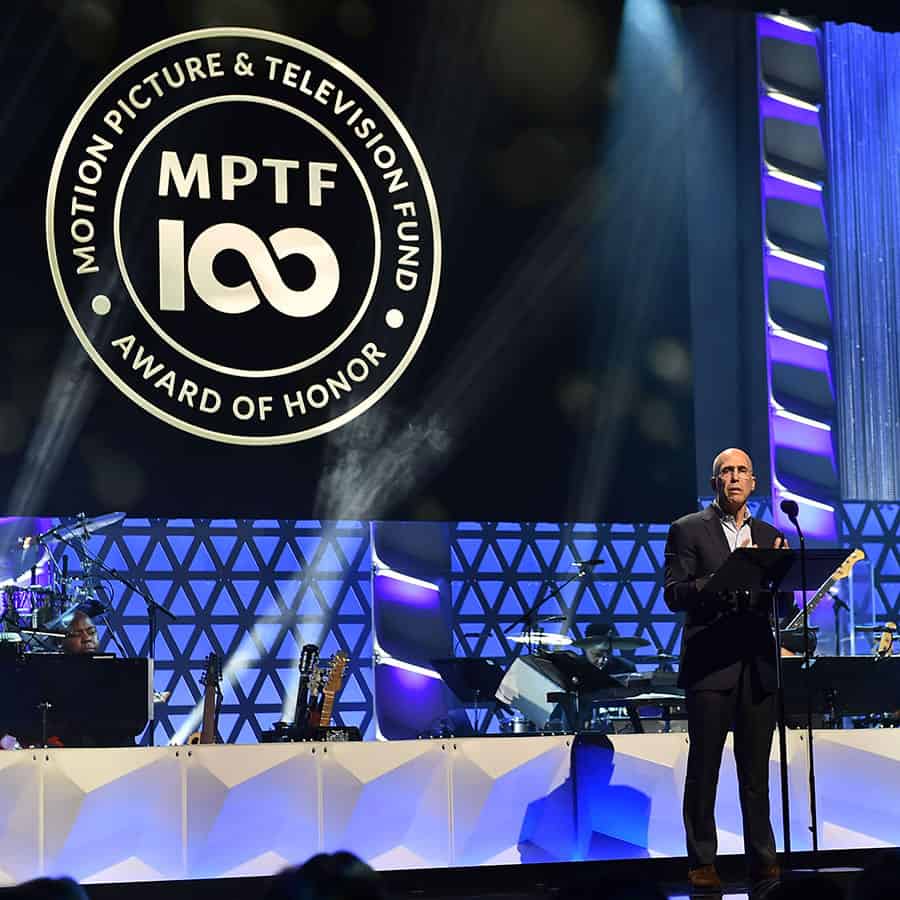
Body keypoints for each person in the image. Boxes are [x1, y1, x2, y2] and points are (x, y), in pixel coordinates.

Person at [664, 447, 788, 893]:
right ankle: (702, 862)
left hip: (757, 666)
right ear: (714, 482)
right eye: (726, 472)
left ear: (754, 482)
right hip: (710, 667)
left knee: (756, 775)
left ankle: (765, 861)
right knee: (705, 771)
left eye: (742, 471)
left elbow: (784, 604)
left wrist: (780, 571)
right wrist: (731, 575)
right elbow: (675, 594)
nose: (734, 478)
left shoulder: (771, 533)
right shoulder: (687, 530)